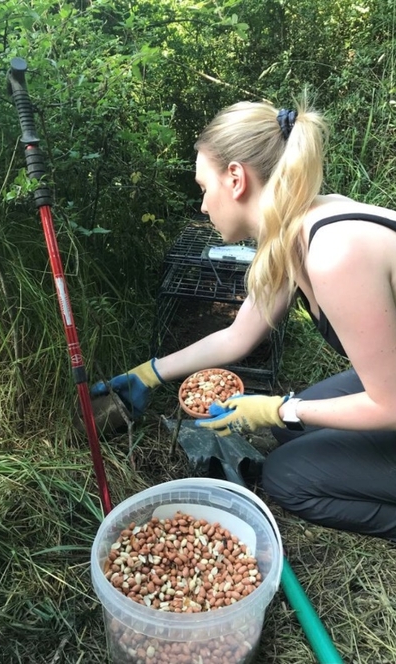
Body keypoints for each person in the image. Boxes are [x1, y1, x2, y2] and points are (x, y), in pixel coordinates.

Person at [92, 98, 396, 542]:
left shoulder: (335, 253)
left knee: (286, 476)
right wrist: (147, 373)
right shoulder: (294, 226)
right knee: (293, 434)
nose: (202, 206)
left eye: (203, 187)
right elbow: (237, 336)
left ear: (235, 179)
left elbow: (389, 404)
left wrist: (277, 407)